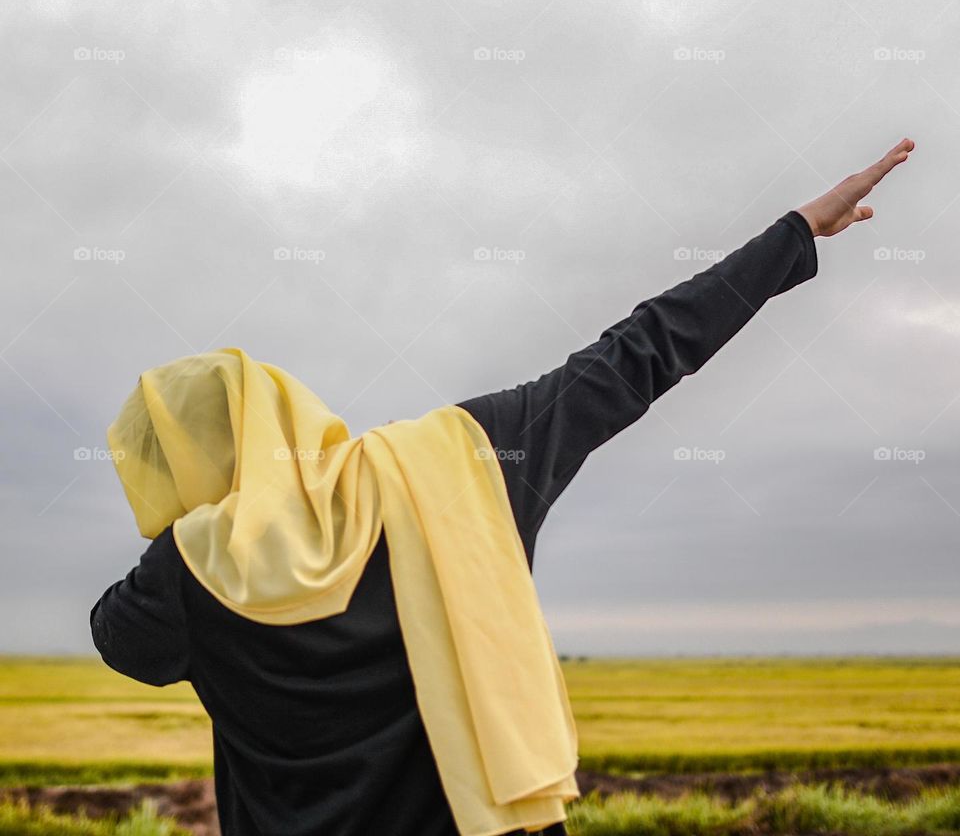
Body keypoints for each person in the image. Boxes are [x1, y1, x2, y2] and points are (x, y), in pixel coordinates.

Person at [90, 137, 915, 836]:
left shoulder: (181, 575)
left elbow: (121, 640)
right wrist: (793, 235)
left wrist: (192, 522)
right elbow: (636, 356)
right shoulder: (463, 462)